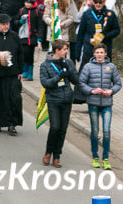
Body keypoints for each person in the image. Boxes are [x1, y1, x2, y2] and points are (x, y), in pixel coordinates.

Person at [79, 43, 122, 170]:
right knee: (95, 130)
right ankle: (95, 157)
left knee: (107, 131)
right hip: (93, 103)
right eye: (97, 52)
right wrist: (91, 91)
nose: (99, 55)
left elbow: (118, 83)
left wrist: (111, 91)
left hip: (107, 104)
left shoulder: (111, 67)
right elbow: (81, 83)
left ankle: (106, 158)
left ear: (105, 54)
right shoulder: (88, 67)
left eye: (101, 52)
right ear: (94, 54)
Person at [39, 39, 78, 168]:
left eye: (67, 49)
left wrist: (70, 71)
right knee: (55, 127)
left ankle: (57, 155)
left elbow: (76, 80)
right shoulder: (45, 65)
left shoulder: (68, 62)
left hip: (66, 99)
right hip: (53, 100)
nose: (66, 52)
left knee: (62, 129)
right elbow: (45, 83)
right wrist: (59, 76)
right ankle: (48, 152)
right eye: (64, 49)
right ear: (57, 50)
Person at [76, 0, 120, 64]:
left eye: (100, 2)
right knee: (86, 73)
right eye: (95, 2)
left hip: (104, 50)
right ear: (93, 2)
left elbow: (117, 30)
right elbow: (81, 33)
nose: (98, 4)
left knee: (105, 73)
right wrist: (77, 52)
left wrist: (104, 36)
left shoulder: (110, 14)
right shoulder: (87, 14)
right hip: (89, 49)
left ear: (104, 2)